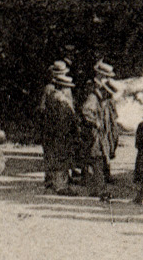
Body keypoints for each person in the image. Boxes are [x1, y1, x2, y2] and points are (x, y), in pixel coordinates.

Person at [78, 61, 119, 201]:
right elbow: (86, 111)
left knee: (100, 159)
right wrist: (96, 123)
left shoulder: (103, 94)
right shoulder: (93, 94)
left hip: (101, 132)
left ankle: (97, 186)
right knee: (96, 159)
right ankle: (98, 188)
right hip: (94, 135)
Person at [38, 61, 76, 192]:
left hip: (50, 128)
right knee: (59, 155)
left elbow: (43, 109)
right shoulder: (57, 95)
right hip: (59, 130)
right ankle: (59, 184)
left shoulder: (51, 91)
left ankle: (52, 180)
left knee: (52, 154)